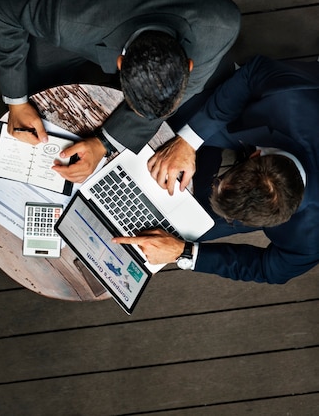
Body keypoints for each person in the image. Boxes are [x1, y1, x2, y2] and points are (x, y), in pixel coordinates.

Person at [113, 56, 319, 284]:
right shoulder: (289, 96)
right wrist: (188, 141)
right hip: (267, 119)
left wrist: (184, 252)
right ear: (254, 155)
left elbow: (269, 269)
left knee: (183, 228)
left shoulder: (310, 240)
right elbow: (252, 74)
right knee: (163, 122)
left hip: (270, 143)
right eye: (218, 181)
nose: (215, 182)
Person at [0, 0, 241, 183]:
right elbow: (4, 8)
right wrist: (17, 103)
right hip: (83, 24)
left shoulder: (220, 24)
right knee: (40, 89)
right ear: (119, 66)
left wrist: (103, 144)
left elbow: (188, 88)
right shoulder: (64, 18)